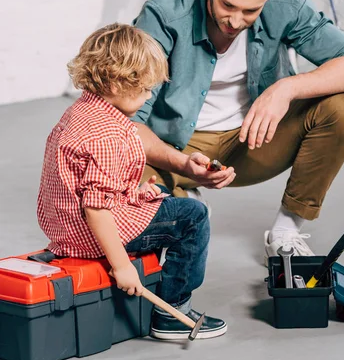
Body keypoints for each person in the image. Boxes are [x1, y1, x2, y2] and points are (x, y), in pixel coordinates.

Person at [133, 0, 344, 262]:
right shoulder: (163, 15)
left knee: (341, 107)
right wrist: (182, 163)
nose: (234, 21)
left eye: (250, 11)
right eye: (227, 5)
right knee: (118, 163)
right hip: (175, 149)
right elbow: (128, 123)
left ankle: (286, 232)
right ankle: (182, 199)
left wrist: (285, 88)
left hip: (254, 141)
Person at [37, 23, 227, 340]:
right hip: (88, 234)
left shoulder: (80, 112)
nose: (149, 95)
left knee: (163, 196)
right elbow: (96, 209)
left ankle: (157, 274)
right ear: (116, 83)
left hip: (63, 229)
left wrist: (132, 193)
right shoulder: (107, 134)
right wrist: (122, 265)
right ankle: (172, 311)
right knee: (194, 216)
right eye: (144, 89)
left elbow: (87, 185)